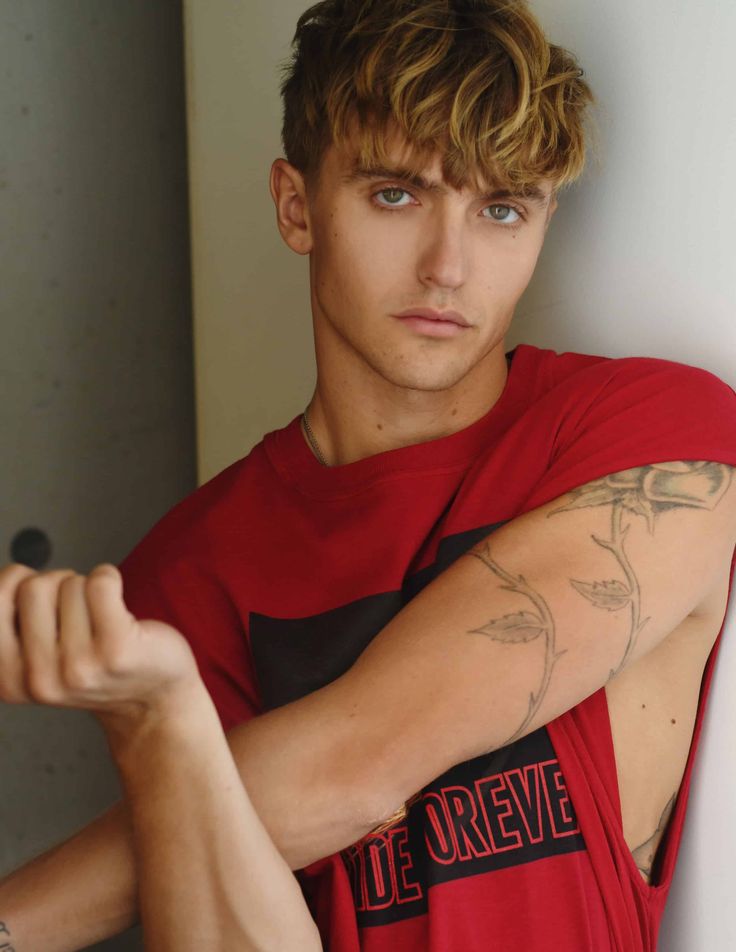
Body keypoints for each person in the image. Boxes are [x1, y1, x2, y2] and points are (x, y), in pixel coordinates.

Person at [1, 0, 736, 949]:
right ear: (297, 205)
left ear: (545, 221)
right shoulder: (188, 570)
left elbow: (362, 759)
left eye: (502, 209)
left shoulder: (648, 434)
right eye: (396, 195)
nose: (448, 267)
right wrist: (160, 719)